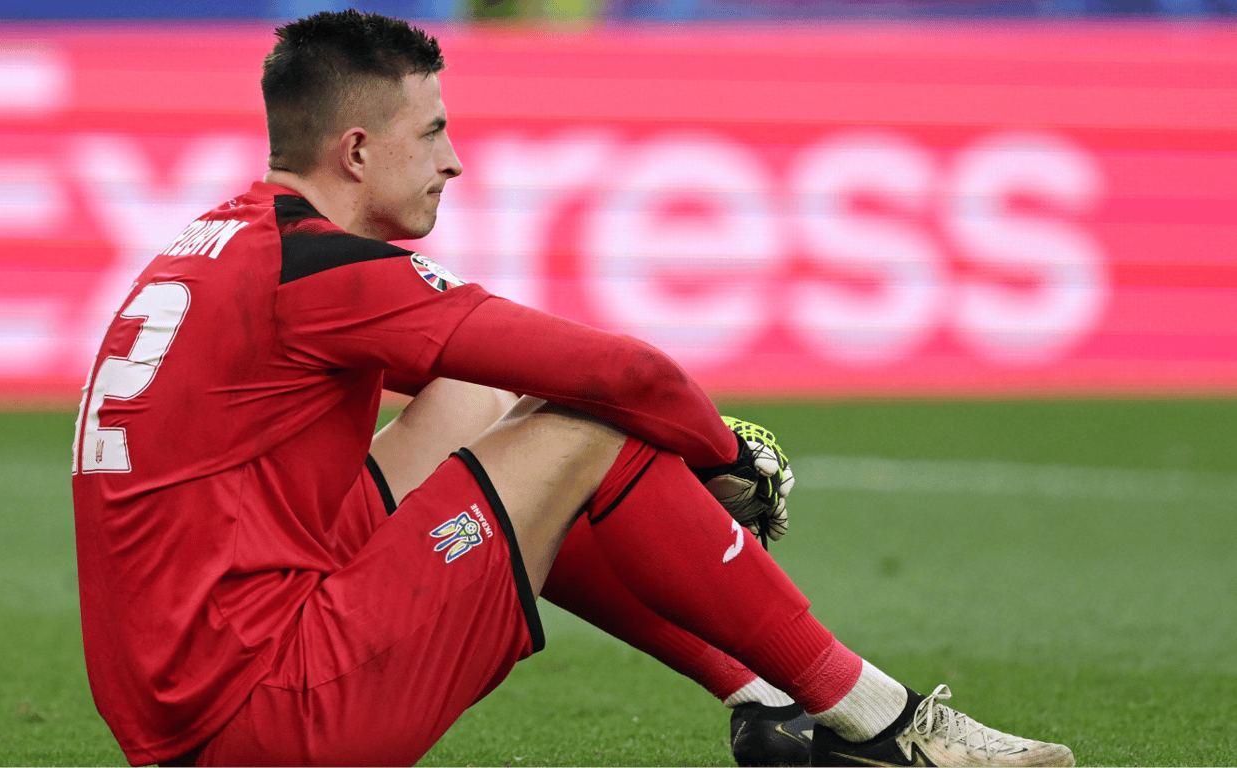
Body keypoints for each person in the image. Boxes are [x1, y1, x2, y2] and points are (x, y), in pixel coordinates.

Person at [70, 10, 1076, 768]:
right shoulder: (317, 270)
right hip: (265, 713)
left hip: (185, 703)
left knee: (483, 398)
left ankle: (765, 696)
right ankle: (885, 726)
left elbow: (486, 381)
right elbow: (625, 373)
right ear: (358, 151)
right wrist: (722, 454)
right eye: (433, 132)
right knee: (586, 425)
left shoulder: (218, 244)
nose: (454, 161)